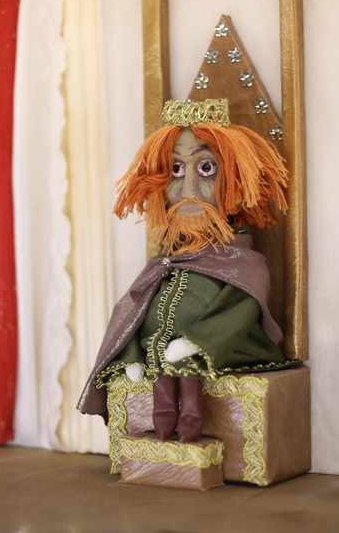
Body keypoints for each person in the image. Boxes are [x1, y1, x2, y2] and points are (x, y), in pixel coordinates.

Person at [77, 98, 293, 443]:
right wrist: (132, 357)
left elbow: (238, 314)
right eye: (176, 170)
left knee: (181, 364)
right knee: (164, 363)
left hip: (221, 353)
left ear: (236, 180)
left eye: (206, 168)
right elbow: (132, 314)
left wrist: (196, 342)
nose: (188, 190)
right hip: (159, 356)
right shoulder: (163, 263)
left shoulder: (243, 264)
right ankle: (163, 417)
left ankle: (190, 415)